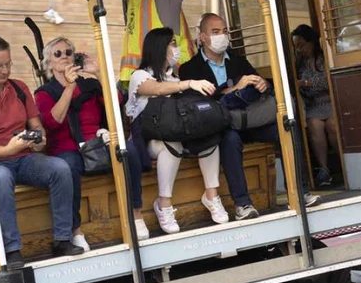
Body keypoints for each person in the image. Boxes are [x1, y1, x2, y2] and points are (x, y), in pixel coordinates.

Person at [179, 13, 321, 210]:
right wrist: (235, 87)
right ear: (202, 37)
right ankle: (243, 204)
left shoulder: (238, 61)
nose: (222, 36)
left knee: (287, 127)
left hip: (250, 120)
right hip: (222, 126)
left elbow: (261, 85)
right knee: (229, 140)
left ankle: (299, 192)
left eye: (225, 31)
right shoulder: (189, 69)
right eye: (215, 32)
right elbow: (201, 106)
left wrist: (262, 83)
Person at [0, 36, 82, 270]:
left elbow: (36, 125)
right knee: (1, 179)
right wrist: (5, 149)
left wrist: (38, 139)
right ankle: (12, 249)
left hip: (24, 157)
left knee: (60, 168)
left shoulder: (19, 88)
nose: (4, 71)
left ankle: (63, 239)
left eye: (8, 64)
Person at [126, 27, 229, 235]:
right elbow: (156, 89)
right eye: (172, 44)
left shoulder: (174, 76)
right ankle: (164, 204)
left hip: (178, 130)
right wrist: (189, 83)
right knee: (171, 145)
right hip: (148, 140)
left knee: (209, 137)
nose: (177, 48)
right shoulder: (140, 76)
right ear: (159, 47)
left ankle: (211, 195)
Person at [34, 38, 111, 252]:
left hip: (96, 142)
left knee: (128, 153)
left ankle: (134, 217)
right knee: (69, 166)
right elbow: (52, 122)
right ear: (49, 63)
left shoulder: (90, 85)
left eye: (69, 52)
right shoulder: (44, 93)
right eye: (57, 54)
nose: (65, 56)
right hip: (66, 148)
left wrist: (98, 73)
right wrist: (69, 87)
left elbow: (116, 105)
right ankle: (75, 230)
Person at [291, 25, 338, 187]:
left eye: (302, 45)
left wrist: (305, 83)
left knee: (332, 125)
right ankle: (324, 169)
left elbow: (327, 81)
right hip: (314, 105)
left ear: (312, 42)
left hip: (331, 101)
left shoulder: (324, 57)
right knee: (313, 124)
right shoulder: (300, 63)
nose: (300, 50)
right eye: (296, 47)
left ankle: (342, 163)